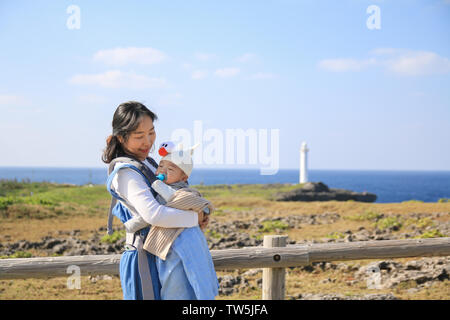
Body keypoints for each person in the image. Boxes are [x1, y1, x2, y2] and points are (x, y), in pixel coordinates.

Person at [102, 101, 218, 300]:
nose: (148, 141)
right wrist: (193, 218)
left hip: (160, 251)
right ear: (121, 138)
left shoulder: (147, 162)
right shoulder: (126, 173)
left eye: (151, 132)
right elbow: (153, 214)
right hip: (144, 257)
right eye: (139, 136)